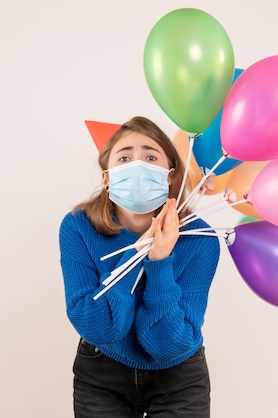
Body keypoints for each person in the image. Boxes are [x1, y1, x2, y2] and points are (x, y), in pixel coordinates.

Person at [59, 116, 221, 417]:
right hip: (101, 373)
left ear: (171, 176)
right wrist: (137, 251)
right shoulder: (78, 227)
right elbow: (101, 327)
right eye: (124, 157)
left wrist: (159, 262)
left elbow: (166, 345)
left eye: (150, 156)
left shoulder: (201, 240)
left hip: (179, 376)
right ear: (107, 177)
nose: (137, 165)